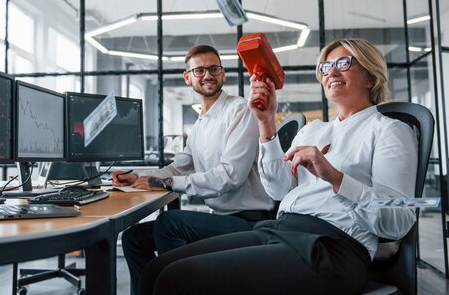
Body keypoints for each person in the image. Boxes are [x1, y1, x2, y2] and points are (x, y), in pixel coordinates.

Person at [138, 38, 419, 295]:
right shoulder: (314, 130)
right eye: (326, 66)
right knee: (155, 271)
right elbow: (277, 190)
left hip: (333, 249)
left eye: (344, 63)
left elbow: (398, 221)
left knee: (175, 279)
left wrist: (335, 178)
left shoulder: (389, 130)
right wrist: (266, 124)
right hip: (280, 230)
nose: (331, 72)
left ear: (371, 77)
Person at [111, 44, 274, 295]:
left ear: (223, 74)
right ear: (188, 77)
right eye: (199, 70)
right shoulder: (200, 124)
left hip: (249, 222)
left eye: (213, 68)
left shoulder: (239, 110)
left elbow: (231, 176)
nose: (207, 75)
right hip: (221, 219)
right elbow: (179, 167)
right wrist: (141, 178)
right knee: (134, 239)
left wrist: (166, 184)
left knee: (169, 223)